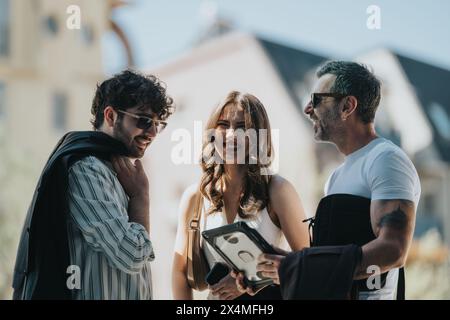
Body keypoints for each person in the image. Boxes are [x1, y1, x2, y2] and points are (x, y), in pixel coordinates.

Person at [234, 61, 421, 300]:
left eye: (317, 100)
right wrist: (279, 265)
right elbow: (327, 262)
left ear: (347, 106)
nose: (307, 109)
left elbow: (393, 250)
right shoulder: (335, 177)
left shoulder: (386, 159)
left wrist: (301, 266)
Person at [12, 70, 173, 299]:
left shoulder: (118, 171)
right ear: (110, 116)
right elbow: (131, 253)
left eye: (159, 123)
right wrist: (141, 198)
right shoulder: (87, 168)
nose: (153, 132)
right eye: (144, 120)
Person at [172, 91, 309, 300]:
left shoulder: (277, 189)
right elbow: (180, 272)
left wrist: (247, 282)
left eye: (242, 127)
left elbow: (305, 264)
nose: (231, 135)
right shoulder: (195, 196)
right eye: (224, 125)